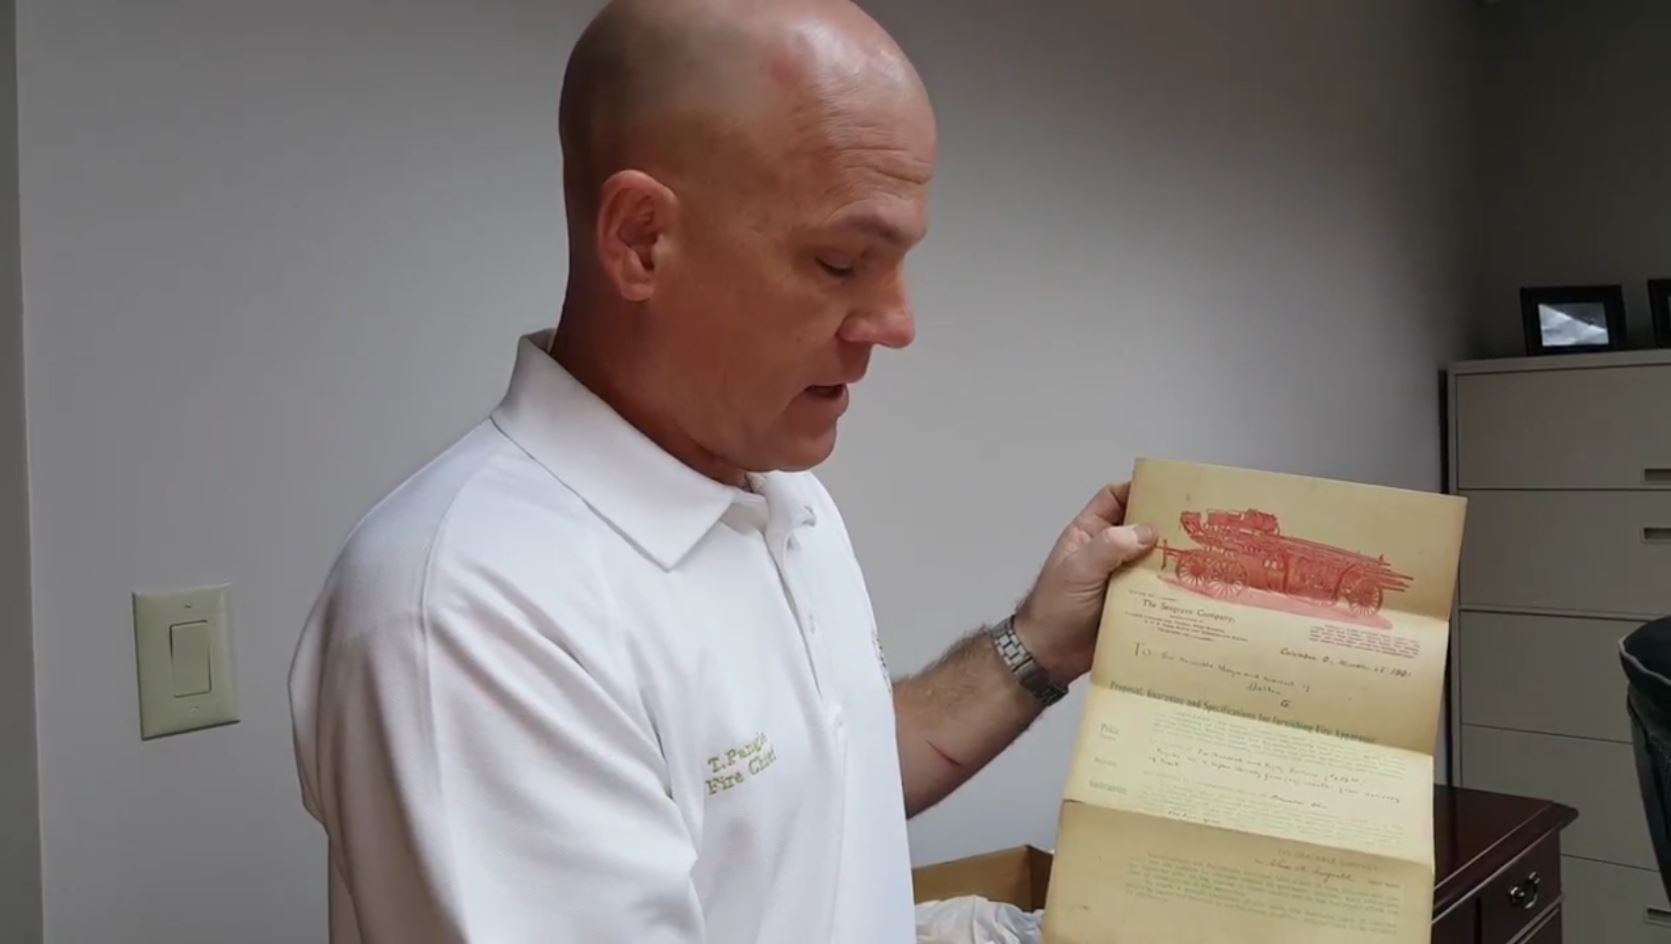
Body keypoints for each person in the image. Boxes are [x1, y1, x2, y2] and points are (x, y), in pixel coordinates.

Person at [287, 0, 1157, 941]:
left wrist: (1042, 643)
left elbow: (813, 793)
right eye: (840, 261)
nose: (898, 323)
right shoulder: (471, 615)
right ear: (641, 240)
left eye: (899, 264)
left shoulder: (781, 496)